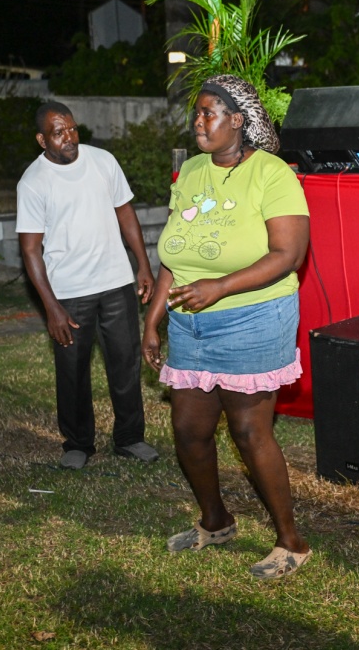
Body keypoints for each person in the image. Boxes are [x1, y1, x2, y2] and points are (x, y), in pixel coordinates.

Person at [141, 75, 311, 580]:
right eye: (196, 113)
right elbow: (175, 252)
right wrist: (152, 320)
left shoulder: (272, 173)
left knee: (249, 431)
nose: (199, 121)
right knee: (188, 429)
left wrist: (221, 286)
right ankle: (216, 522)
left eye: (209, 113)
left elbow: (288, 254)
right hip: (189, 321)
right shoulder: (192, 171)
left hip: (252, 317)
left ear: (237, 120)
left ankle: (291, 541)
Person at [17, 100, 158, 469]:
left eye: (72, 128)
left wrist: (143, 264)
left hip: (116, 282)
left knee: (125, 364)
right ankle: (78, 443)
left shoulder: (102, 161)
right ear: (42, 140)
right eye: (58, 133)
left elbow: (125, 212)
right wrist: (52, 307)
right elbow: (30, 250)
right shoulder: (33, 182)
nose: (69, 137)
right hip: (69, 292)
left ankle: (130, 438)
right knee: (73, 371)